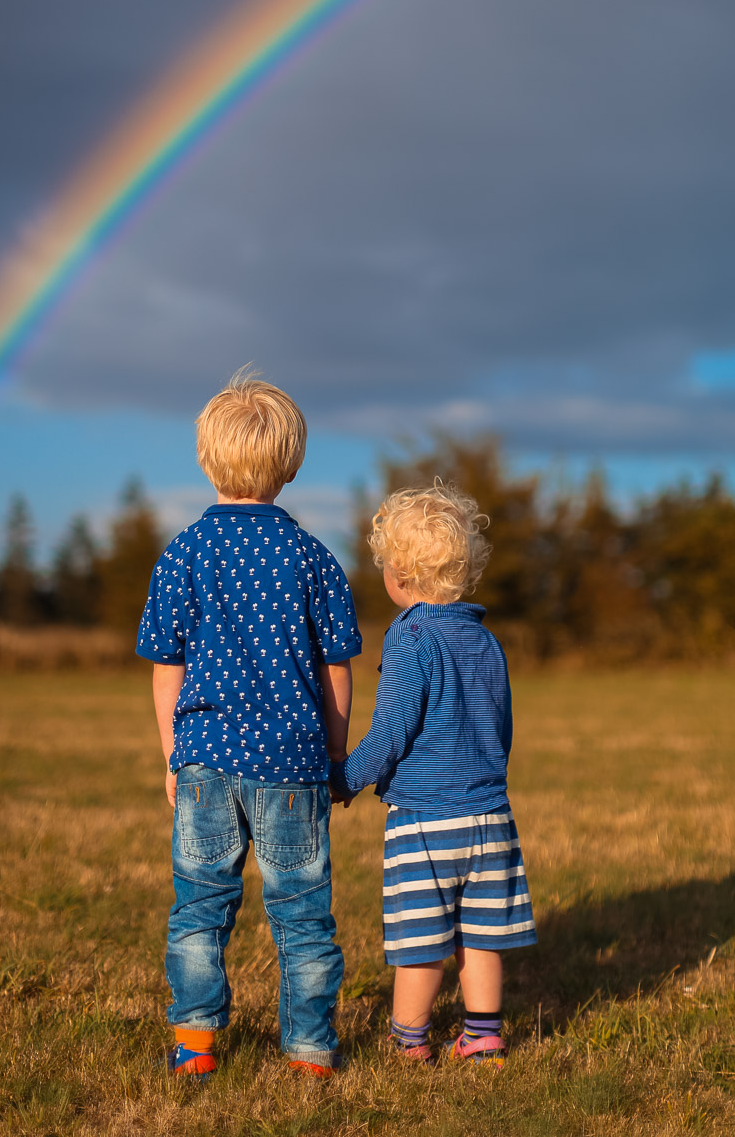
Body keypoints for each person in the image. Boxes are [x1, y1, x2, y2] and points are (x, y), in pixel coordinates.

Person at [136, 371, 362, 1080]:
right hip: (292, 764)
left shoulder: (183, 554)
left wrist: (174, 757)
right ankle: (309, 1052)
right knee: (302, 917)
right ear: (290, 466)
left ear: (205, 461)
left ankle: (195, 1046)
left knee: (200, 908)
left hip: (204, 759)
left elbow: (164, 666)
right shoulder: (311, 557)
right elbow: (337, 668)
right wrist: (333, 752)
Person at [331, 482, 535, 1065]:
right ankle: (483, 1036)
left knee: (419, 942)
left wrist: (348, 777)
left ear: (398, 572)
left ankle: (409, 1039)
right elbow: (503, 725)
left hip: (426, 818)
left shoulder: (412, 633)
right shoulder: (485, 637)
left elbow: (393, 726)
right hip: (491, 815)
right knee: (480, 935)